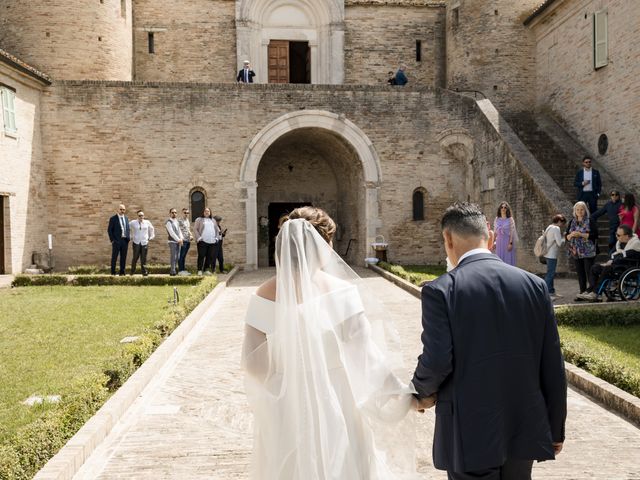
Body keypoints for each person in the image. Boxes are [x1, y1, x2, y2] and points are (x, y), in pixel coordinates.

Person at [242, 206, 418, 479]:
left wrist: (288, 369)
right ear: (323, 246)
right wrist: (401, 392)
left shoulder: (261, 295)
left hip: (286, 402)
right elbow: (366, 357)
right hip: (337, 398)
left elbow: (252, 365)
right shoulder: (342, 293)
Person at [411, 202, 567, 480]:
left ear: (447, 239)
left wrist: (421, 393)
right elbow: (552, 363)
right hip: (524, 423)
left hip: (467, 427)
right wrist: (555, 427)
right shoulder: (535, 285)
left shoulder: (440, 290)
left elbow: (436, 361)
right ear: (492, 237)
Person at [581, 224, 640, 301]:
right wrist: (610, 261)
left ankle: (596, 293)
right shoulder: (619, 243)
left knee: (607, 268)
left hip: (626, 268)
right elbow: (612, 254)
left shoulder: (635, 244)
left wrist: (612, 261)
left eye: (619, 235)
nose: (616, 236)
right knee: (595, 267)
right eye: (616, 234)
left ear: (627, 236)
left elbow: (624, 256)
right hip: (616, 265)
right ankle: (591, 290)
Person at [566, 201, 597, 300]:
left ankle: (592, 293)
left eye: (582, 209)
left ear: (585, 210)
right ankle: (582, 293)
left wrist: (580, 234)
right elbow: (566, 236)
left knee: (589, 272)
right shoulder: (572, 222)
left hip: (588, 251)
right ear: (575, 211)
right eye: (577, 209)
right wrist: (571, 235)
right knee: (580, 273)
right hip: (576, 251)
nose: (579, 211)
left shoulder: (590, 220)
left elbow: (595, 235)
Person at [543, 214, 567, 299]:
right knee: (550, 274)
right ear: (560, 221)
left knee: (550, 273)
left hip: (547, 253)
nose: (562, 225)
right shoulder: (556, 228)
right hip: (552, 254)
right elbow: (559, 243)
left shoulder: (549, 227)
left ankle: (551, 291)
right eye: (563, 223)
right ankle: (546, 293)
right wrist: (564, 237)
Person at [193, 207, 219, 275]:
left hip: (212, 242)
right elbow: (195, 229)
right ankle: (199, 270)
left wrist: (216, 238)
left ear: (210, 213)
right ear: (203, 212)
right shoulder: (199, 219)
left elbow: (217, 230)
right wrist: (199, 238)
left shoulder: (213, 220)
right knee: (201, 256)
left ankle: (206, 269)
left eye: (208, 211)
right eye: (205, 211)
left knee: (209, 256)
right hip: (202, 241)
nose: (207, 212)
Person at [129, 210, 155, 276]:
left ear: (144, 216)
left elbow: (152, 229)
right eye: (139, 215)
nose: (141, 217)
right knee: (135, 257)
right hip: (136, 242)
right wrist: (130, 236)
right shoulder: (133, 222)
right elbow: (127, 228)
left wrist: (151, 236)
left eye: (142, 215)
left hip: (144, 242)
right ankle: (132, 271)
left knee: (143, 258)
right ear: (137, 216)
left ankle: (144, 272)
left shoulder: (147, 222)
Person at [107, 204, 130, 276]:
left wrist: (128, 238)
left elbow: (127, 229)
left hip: (124, 241)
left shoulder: (126, 218)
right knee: (114, 257)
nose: (122, 211)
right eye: (121, 209)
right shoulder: (113, 219)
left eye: (123, 209)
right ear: (118, 210)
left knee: (123, 257)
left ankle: (122, 272)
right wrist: (113, 240)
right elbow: (109, 230)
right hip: (116, 241)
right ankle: (113, 272)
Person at [492, 201, 518, 266]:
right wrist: (493, 242)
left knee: (508, 260)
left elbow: (512, 232)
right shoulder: (496, 219)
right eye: (502, 207)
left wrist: (510, 243)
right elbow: (495, 232)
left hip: (507, 242)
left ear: (507, 209)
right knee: (499, 260)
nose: (503, 209)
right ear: (500, 209)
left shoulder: (510, 219)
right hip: (499, 242)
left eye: (505, 207)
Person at [165, 208, 183, 276]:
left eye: (175, 212)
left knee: (177, 257)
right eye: (172, 212)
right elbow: (172, 233)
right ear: (170, 213)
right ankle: (172, 271)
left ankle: (174, 269)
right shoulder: (168, 222)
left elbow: (179, 231)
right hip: (172, 241)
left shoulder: (177, 221)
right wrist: (179, 240)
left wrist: (181, 238)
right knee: (173, 256)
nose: (174, 214)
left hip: (178, 241)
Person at [177, 207, 193, 276]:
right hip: (183, 240)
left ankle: (183, 270)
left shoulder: (187, 221)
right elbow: (178, 230)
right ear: (182, 213)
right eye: (185, 213)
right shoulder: (179, 220)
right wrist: (180, 239)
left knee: (184, 256)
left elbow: (188, 229)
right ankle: (180, 271)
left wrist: (191, 235)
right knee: (181, 255)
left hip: (188, 240)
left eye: (187, 213)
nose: (186, 214)